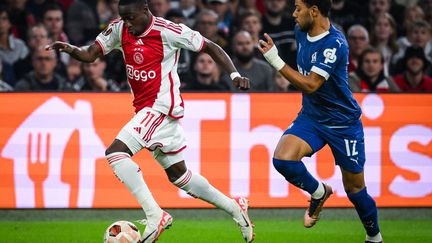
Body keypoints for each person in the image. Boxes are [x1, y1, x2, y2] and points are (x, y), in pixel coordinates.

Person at [45, 0, 254, 242]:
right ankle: (236, 208)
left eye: (131, 17)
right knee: (180, 176)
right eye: (123, 18)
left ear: (145, 10)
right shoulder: (119, 29)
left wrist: (235, 74)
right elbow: (91, 54)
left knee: (116, 153)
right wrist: (71, 49)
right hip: (146, 111)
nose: (128, 23)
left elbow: (210, 47)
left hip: (160, 108)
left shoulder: (168, 31)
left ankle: (155, 215)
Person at [258, 1, 383, 243]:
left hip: (342, 123)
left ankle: (374, 237)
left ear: (314, 11)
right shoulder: (301, 31)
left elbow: (312, 84)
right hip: (312, 117)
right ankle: (319, 192)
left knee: (355, 190)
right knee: (282, 159)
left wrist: (276, 60)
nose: (293, 14)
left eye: (298, 8)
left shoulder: (335, 43)